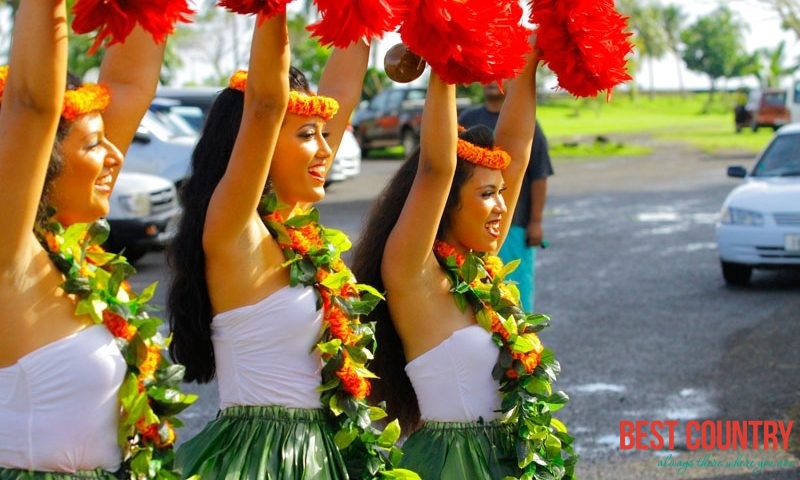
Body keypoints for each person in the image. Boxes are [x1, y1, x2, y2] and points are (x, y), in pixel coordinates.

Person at [167, 12, 410, 480]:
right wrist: (270, 9)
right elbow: (263, 105)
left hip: (324, 452)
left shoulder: (295, 235)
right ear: (255, 147)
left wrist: (364, 12)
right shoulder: (235, 232)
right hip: (258, 458)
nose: (325, 149)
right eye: (306, 135)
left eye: (326, 134)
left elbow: (343, 86)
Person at [351, 40, 576, 479]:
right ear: (447, 204)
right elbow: (436, 168)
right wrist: (445, 61)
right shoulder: (413, 274)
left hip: (510, 459)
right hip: (450, 465)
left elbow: (518, 150)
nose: (500, 207)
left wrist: (529, 59)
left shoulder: (484, 279)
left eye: (503, 194)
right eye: (487, 195)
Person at [0, 2, 193, 479]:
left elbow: (129, 84)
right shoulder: (10, 256)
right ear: (42, 160)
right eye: (91, 144)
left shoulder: (69, 251)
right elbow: (30, 106)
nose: (114, 157)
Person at [459, 83, 554, 312]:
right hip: (472, 225)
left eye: (499, 76)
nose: (492, 81)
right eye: (488, 75)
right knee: (473, 297)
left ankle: (519, 346)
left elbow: (539, 175)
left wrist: (536, 222)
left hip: (515, 225)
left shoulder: (527, 126)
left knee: (516, 298)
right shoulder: (467, 119)